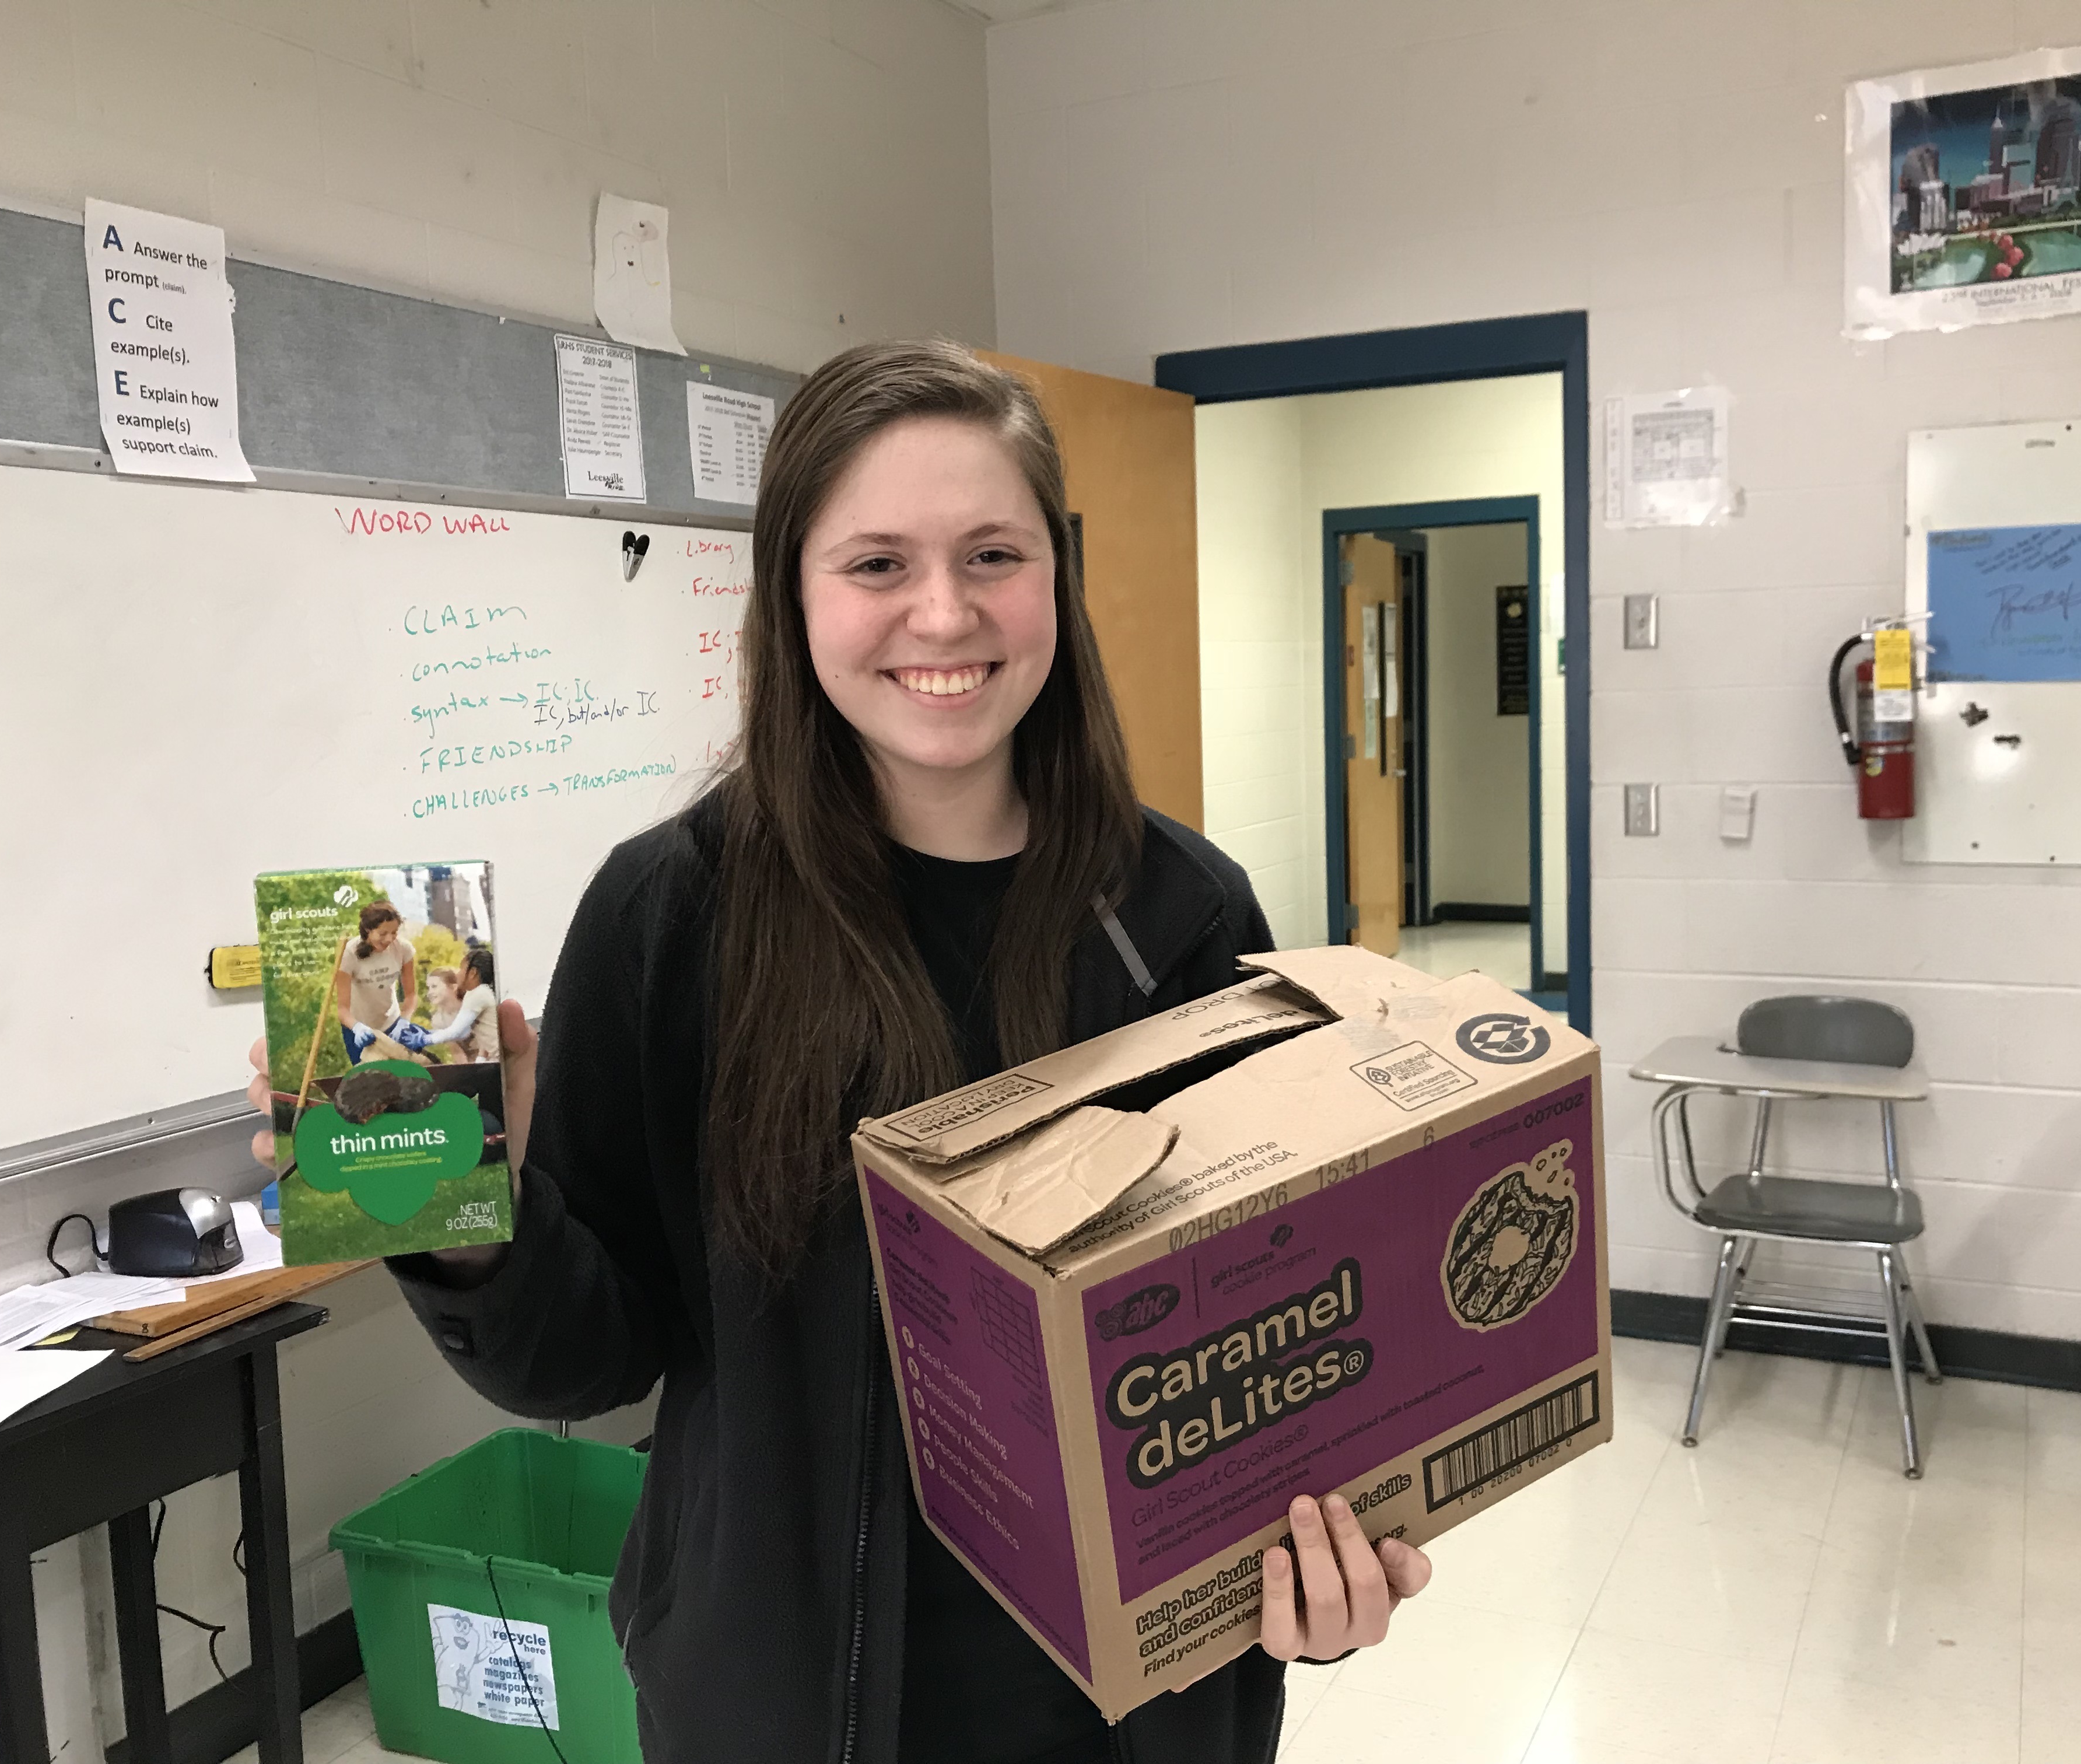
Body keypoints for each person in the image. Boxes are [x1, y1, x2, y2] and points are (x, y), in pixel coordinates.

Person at [249, 341, 1428, 1764]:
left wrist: (1317, 1559)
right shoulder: (670, 914)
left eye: (992, 554)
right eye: (876, 563)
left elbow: (1274, 1322)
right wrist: (465, 1218)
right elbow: (596, 1357)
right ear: (791, 591)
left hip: (1140, 1709)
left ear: (1054, 575)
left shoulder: (1180, 912)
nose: (944, 611)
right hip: (781, 1708)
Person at [334, 902, 416, 1064]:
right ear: (367, 930)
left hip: (392, 1024)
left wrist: (405, 1020)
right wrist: (357, 1027)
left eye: (394, 933)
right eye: (383, 933)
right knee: (369, 1081)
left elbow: (411, 995)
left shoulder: (404, 949)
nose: (389, 939)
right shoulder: (349, 954)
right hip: (358, 1028)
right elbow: (342, 1009)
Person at [412, 950, 500, 1064]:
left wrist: (421, 1040)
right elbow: (461, 1045)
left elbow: (456, 1032)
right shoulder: (477, 994)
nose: (458, 974)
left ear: (473, 973)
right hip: (489, 1060)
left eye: (461, 969)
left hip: (497, 1059)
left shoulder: (477, 994)